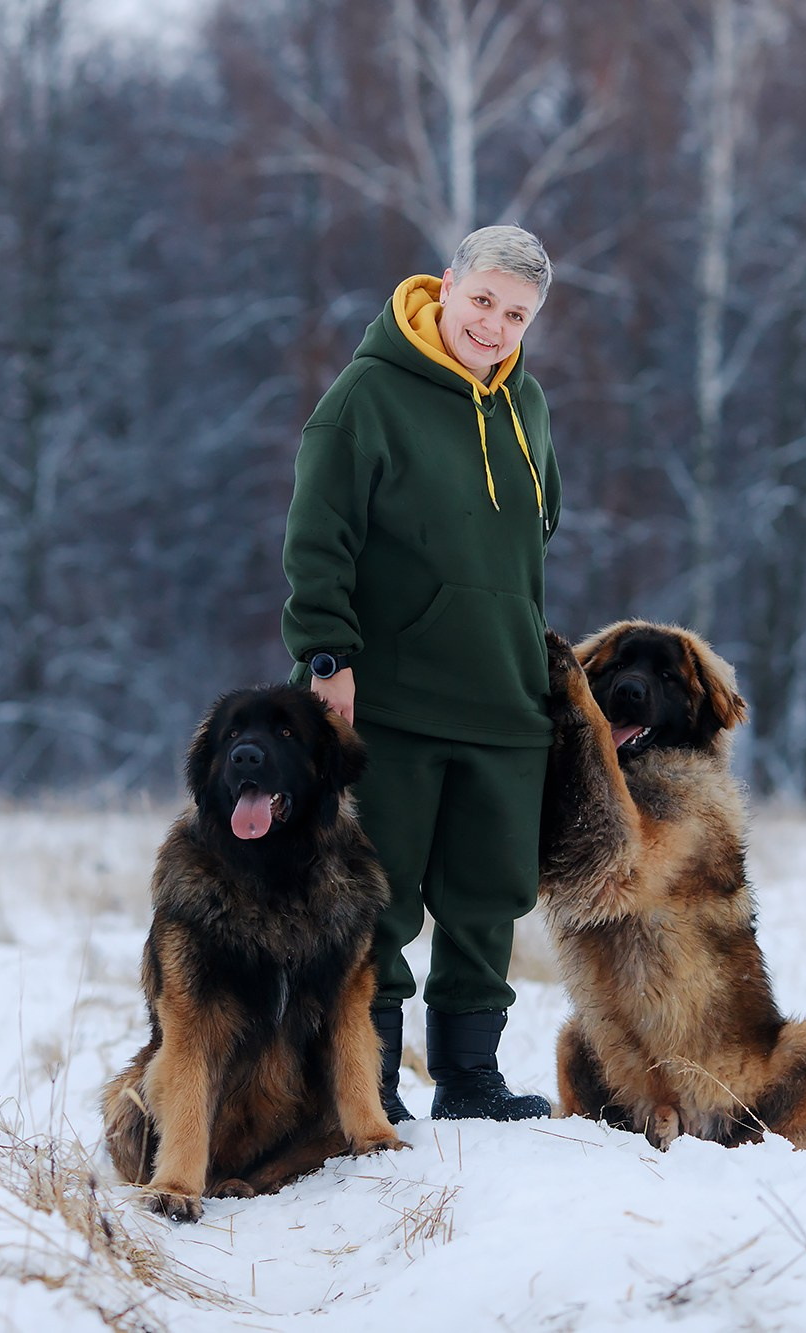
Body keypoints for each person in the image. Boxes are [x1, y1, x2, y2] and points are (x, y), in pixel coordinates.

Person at [281, 225, 561, 1123]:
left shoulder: (531, 406)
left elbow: (533, 531)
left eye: (516, 314)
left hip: (506, 695)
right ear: (446, 286)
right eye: (482, 300)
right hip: (388, 699)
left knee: (488, 896)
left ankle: (472, 1079)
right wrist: (328, 655)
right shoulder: (367, 395)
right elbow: (318, 537)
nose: (494, 325)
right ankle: (375, 1084)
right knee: (381, 896)